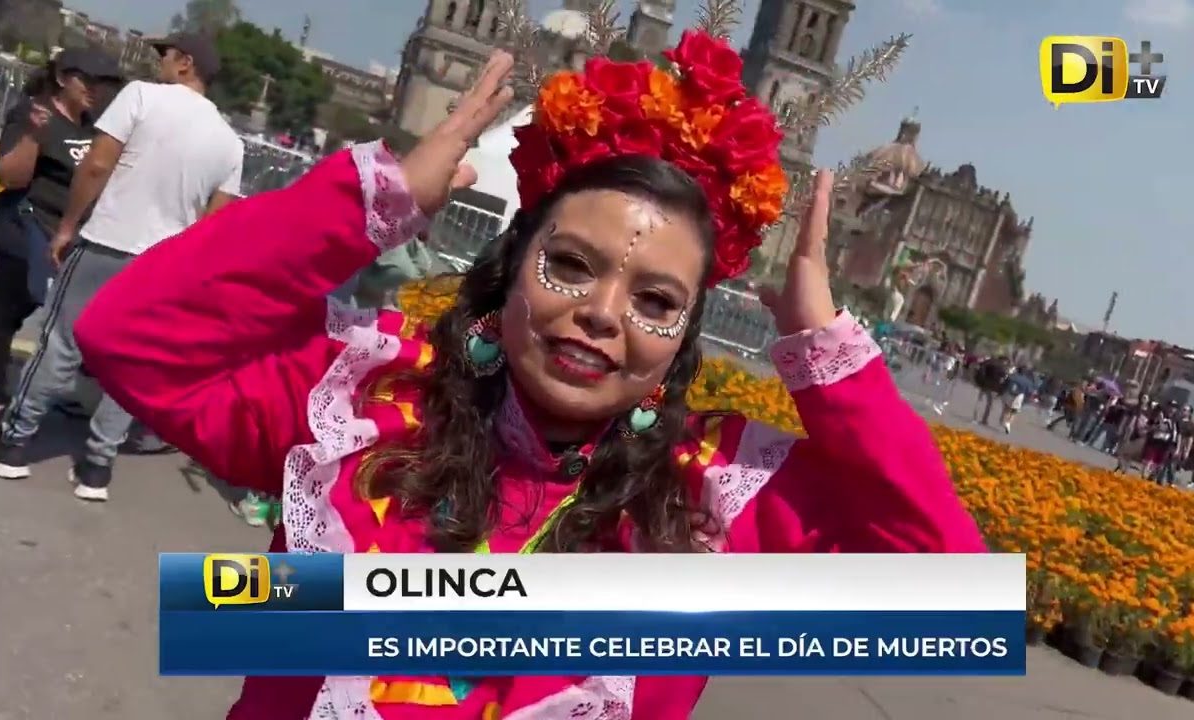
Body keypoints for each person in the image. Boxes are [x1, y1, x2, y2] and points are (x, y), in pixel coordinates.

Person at [72, 43, 984, 718]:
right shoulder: (364, 398)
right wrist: (367, 203)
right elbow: (129, 333)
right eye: (573, 266)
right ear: (513, 268)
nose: (603, 314)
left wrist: (824, 352)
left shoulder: (714, 499)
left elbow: (952, 598)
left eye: (656, 299)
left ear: (683, 336)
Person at [0, 32, 243, 501]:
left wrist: (68, 225)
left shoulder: (142, 97)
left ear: (186, 63)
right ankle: (96, 468)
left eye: (166, 55)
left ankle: (13, 443)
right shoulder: (230, 143)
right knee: (132, 365)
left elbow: (96, 166)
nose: (161, 63)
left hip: (107, 241)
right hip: (162, 266)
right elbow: (216, 223)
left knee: (61, 343)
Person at [0, 48, 121, 412]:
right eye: (88, 80)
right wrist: (34, 137)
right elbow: (10, 176)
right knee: (4, 314)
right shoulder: (35, 113)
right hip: (22, 228)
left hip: (62, 238)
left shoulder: (93, 125)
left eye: (103, 82)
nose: (95, 89)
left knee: (26, 311)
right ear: (64, 78)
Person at [972, 356, 1009, 426]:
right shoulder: (1002, 368)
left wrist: (979, 382)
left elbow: (980, 369)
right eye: (1006, 362)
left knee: (980, 401)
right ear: (1004, 360)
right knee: (989, 405)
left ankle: (975, 418)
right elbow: (1003, 380)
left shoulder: (989, 362)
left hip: (984, 384)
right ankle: (984, 420)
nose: (1006, 363)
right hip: (994, 388)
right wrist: (1001, 391)